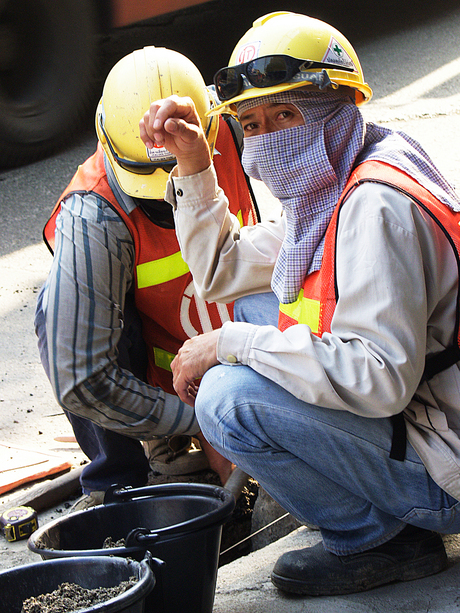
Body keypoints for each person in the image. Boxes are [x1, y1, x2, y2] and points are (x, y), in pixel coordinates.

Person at [139, 11, 460, 597]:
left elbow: (379, 378)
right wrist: (192, 162)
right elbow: (225, 269)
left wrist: (228, 347)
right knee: (254, 310)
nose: (268, 140)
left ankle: (379, 539)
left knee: (226, 397)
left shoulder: (374, 208)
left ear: (336, 109)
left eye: (286, 114)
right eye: (253, 124)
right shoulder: (345, 177)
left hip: (447, 466)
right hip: (429, 412)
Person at [34, 46, 260, 510]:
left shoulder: (235, 134)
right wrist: (198, 421)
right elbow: (81, 376)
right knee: (60, 313)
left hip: (240, 350)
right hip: (162, 384)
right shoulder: (94, 215)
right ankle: (119, 480)